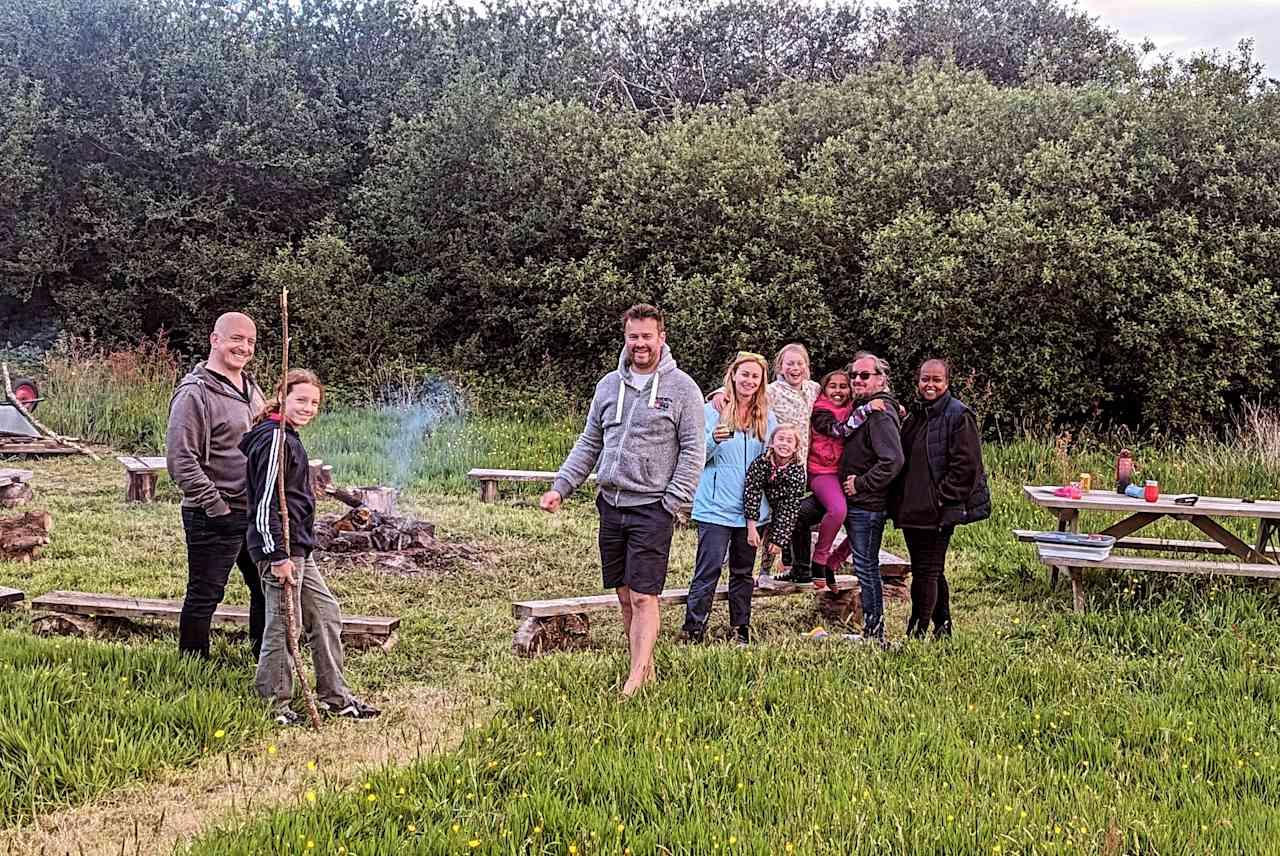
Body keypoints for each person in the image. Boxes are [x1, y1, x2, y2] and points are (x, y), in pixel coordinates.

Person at [540, 304, 705, 697]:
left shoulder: (682, 389)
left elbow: (694, 451)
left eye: (647, 336)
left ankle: (635, 679)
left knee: (645, 594)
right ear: (626, 338)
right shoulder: (607, 386)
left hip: (653, 507)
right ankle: (641, 667)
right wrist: (561, 486)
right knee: (624, 593)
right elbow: (589, 443)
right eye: (634, 336)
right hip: (611, 504)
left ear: (661, 338)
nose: (640, 344)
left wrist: (674, 501)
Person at [243, 369, 380, 724]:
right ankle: (273, 705)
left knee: (325, 612)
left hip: (299, 548)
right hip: (282, 550)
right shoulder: (274, 439)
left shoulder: (288, 437)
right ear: (282, 397)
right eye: (301, 399)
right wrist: (276, 555)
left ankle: (337, 696)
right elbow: (264, 503)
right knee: (283, 625)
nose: (308, 408)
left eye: (315, 402)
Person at [165, 312, 267, 659]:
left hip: (252, 512)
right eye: (237, 338)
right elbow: (180, 459)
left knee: (265, 587)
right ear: (215, 340)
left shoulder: (251, 389)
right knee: (206, 593)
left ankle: (264, 657)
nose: (245, 347)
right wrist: (215, 505)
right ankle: (193, 663)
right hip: (214, 513)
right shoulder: (195, 393)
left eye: (251, 341)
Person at [680, 352, 776, 645]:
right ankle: (694, 629)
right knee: (708, 570)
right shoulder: (711, 412)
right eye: (744, 374)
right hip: (714, 507)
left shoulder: (768, 418)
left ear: (761, 382)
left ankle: (740, 629)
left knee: (743, 573)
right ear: (733, 375)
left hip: (751, 512)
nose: (748, 380)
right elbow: (695, 457)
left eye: (755, 376)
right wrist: (713, 440)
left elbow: (775, 459)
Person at [890, 358, 990, 639]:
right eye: (925, 379)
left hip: (937, 510)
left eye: (936, 380)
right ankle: (943, 625)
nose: (929, 385)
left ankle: (916, 632)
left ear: (947, 383)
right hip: (912, 509)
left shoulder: (959, 415)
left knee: (926, 570)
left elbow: (967, 466)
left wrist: (940, 499)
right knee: (930, 569)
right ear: (918, 381)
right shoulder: (915, 416)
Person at [837, 352, 904, 646]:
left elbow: (893, 460)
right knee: (864, 563)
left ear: (881, 379)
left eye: (864, 375)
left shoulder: (879, 414)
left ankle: (875, 633)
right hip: (858, 503)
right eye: (854, 375)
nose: (857, 380)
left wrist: (862, 484)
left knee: (866, 566)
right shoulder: (865, 408)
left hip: (868, 505)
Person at [743, 424, 807, 589]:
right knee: (751, 538)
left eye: (789, 441)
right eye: (780, 439)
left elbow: (790, 507)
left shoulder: (797, 471)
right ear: (771, 442)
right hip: (761, 503)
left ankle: (765, 573)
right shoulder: (762, 462)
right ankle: (744, 573)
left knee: (772, 543)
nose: (784, 444)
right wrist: (751, 525)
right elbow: (752, 491)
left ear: (796, 448)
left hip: (781, 508)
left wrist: (779, 540)